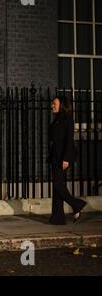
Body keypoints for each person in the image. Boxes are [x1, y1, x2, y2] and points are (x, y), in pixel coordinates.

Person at [48, 95, 86, 225]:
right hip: (55, 156)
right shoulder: (57, 118)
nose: (52, 106)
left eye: (54, 103)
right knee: (57, 187)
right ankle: (57, 218)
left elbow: (69, 141)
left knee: (57, 185)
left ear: (62, 105)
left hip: (62, 158)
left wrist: (66, 159)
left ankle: (77, 204)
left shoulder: (68, 119)